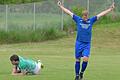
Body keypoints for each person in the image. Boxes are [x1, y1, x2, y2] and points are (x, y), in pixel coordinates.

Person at [57, 1, 115, 80]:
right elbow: (68, 12)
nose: (84, 17)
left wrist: (110, 9)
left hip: (87, 44)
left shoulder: (91, 20)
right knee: (77, 59)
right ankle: (77, 76)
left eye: (86, 16)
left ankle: (81, 73)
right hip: (79, 43)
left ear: (87, 16)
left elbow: (101, 14)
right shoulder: (78, 19)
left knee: (85, 59)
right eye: (83, 16)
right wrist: (61, 6)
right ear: (82, 16)